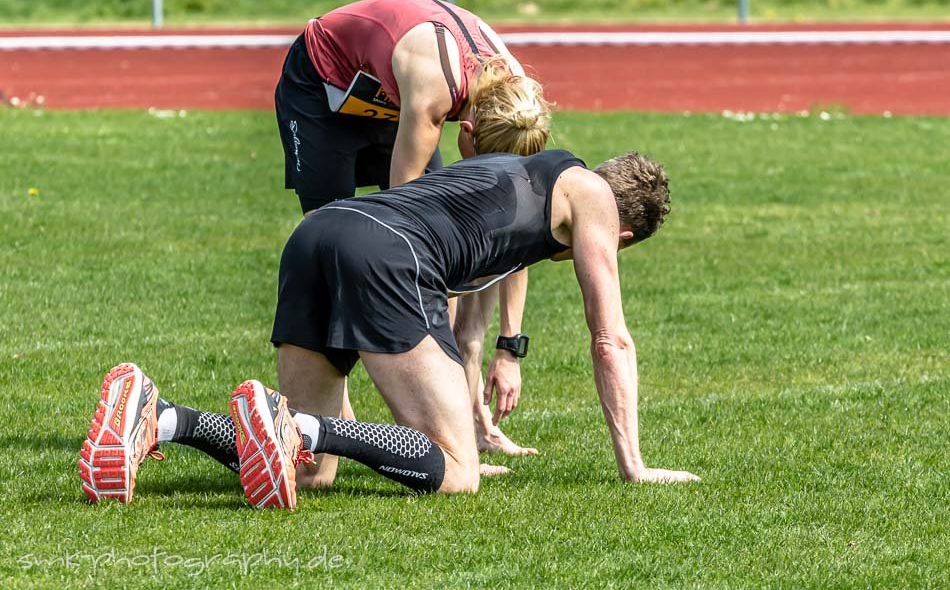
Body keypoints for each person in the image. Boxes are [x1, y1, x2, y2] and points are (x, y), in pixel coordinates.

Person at [79, 148, 700, 506]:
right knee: (456, 476)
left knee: (309, 469)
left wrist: (470, 407)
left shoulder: (523, 172)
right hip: (387, 251)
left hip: (318, 232)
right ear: (623, 235)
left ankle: (160, 417)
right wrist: (634, 465)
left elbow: (468, 303)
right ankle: (296, 423)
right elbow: (609, 338)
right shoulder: (594, 198)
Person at [275, 0, 551, 457]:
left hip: (389, 89)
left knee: (448, 252)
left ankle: (471, 423)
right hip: (323, 88)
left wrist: (509, 345)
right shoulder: (431, 100)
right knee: (339, 242)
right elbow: (399, 227)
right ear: (466, 132)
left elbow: (514, 230)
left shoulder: (519, 100)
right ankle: (335, 420)